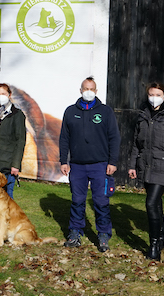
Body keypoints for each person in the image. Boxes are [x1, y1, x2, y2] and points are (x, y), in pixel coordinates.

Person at [59, 76, 120, 252]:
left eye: (91, 89)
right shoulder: (70, 111)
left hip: (100, 165)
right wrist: (64, 161)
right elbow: (64, 138)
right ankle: (75, 232)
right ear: (80, 90)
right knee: (77, 200)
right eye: (85, 88)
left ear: (96, 91)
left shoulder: (105, 111)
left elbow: (114, 138)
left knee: (101, 201)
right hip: (77, 166)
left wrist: (112, 161)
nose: (88, 91)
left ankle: (103, 234)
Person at [128, 82, 164, 261]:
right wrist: (132, 165)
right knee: (156, 204)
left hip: (163, 168)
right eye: (151, 94)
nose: (154, 97)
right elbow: (136, 144)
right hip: (146, 167)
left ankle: (153, 246)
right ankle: (160, 239)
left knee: (150, 203)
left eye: (158, 94)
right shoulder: (142, 116)